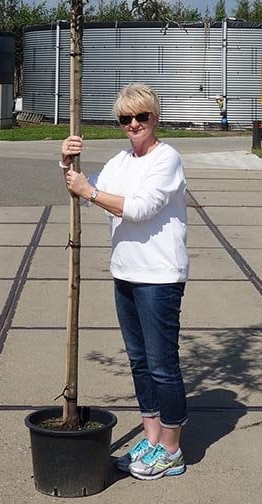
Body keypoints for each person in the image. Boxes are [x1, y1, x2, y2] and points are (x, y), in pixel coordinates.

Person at [60, 82, 189, 481]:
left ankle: (171, 448)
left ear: (155, 117)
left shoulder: (167, 159)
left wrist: (89, 190)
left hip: (159, 276)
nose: (134, 124)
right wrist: (68, 164)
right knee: (138, 362)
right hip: (126, 272)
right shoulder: (122, 160)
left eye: (141, 117)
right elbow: (84, 189)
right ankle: (150, 438)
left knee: (162, 365)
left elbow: (139, 208)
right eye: (125, 118)